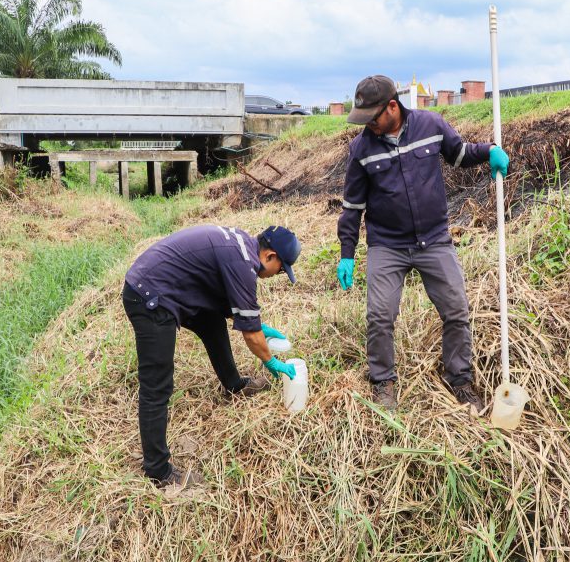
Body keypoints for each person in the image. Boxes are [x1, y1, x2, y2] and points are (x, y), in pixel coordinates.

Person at [336, 75, 510, 416]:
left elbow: (459, 154)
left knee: (457, 311)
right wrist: (347, 254)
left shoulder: (430, 124)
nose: (368, 125)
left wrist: (488, 151)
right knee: (380, 316)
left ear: (392, 106)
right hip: (387, 244)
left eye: (373, 117)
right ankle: (383, 382)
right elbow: (352, 208)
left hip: (434, 239)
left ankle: (459, 380)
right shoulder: (361, 149)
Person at [122, 224, 301, 487]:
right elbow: (251, 336)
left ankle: (234, 385)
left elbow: (223, 297)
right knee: (157, 384)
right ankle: (158, 470)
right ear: (270, 256)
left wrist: (255, 324)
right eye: (282, 270)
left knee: (212, 320)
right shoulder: (243, 264)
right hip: (149, 294)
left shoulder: (242, 246)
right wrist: (270, 361)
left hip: (168, 285)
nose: (279, 275)